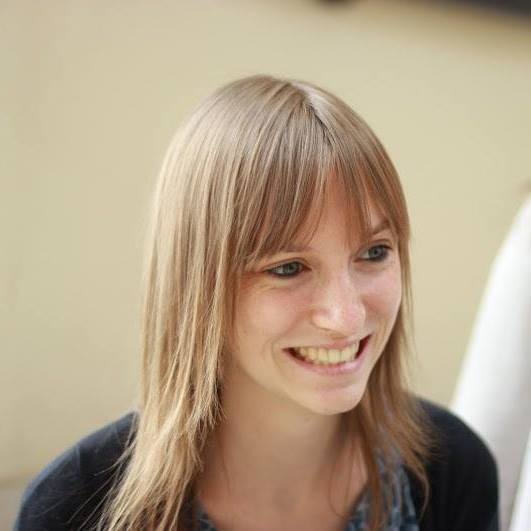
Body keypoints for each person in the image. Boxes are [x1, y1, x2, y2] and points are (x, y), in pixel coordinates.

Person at [14, 74, 499, 531]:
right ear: (197, 284)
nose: (345, 316)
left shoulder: (451, 469)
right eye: (288, 268)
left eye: (373, 253)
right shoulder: (74, 508)